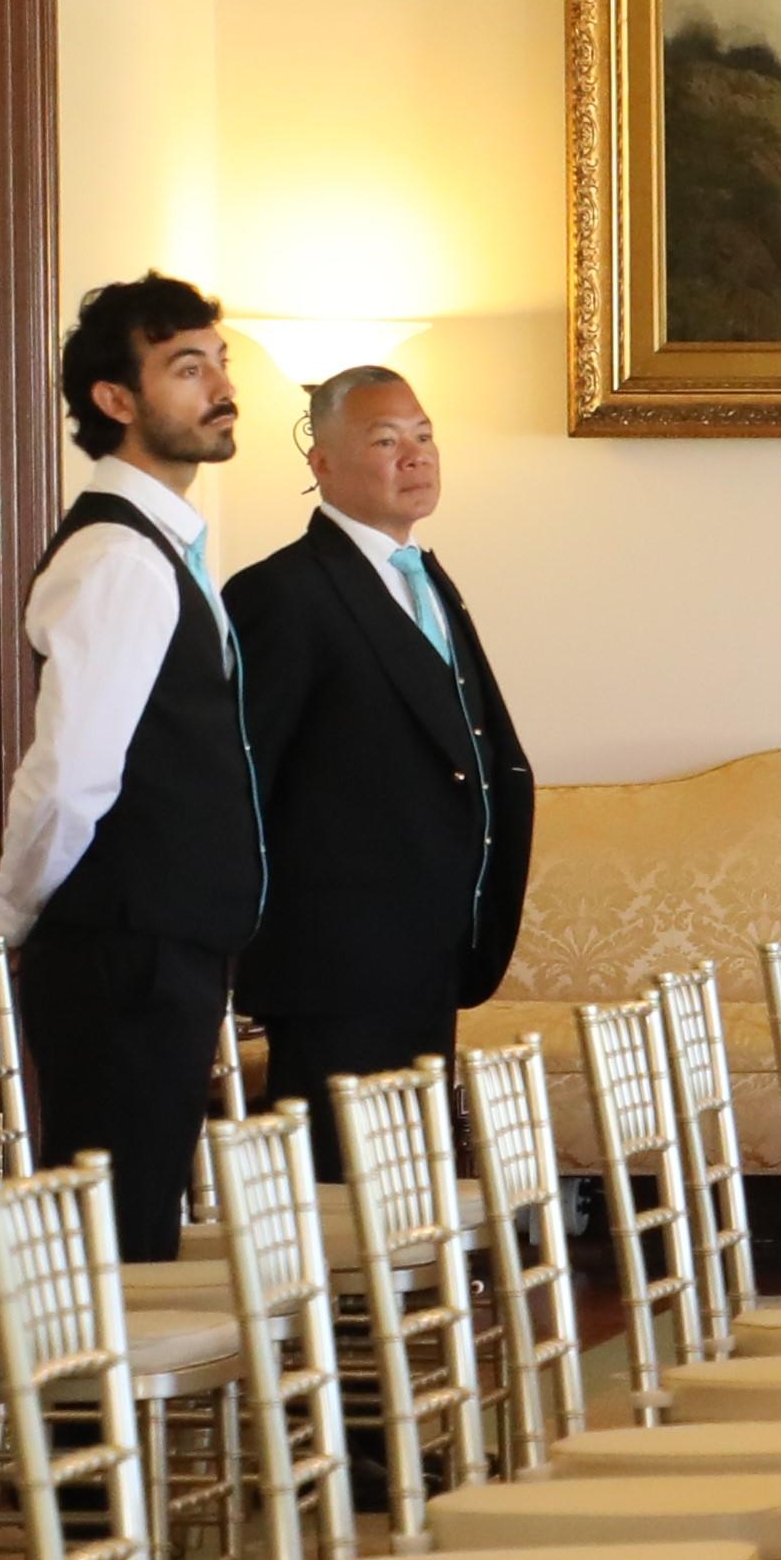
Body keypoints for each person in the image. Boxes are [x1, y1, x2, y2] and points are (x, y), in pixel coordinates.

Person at [0, 274, 265, 1260]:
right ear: (116, 399)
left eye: (220, 363)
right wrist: (9, 918)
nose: (221, 387)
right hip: (122, 951)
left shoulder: (166, 548)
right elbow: (70, 775)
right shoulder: (117, 557)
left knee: (134, 1224)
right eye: (188, 369)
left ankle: (108, 1415)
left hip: (159, 947)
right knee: (112, 1237)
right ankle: (87, 1419)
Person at [226, 363, 535, 1149]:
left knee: (410, 1193)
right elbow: (242, 783)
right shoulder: (282, 594)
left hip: (432, 948)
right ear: (321, 461)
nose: (416, 456)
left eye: (425, 435)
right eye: (386, 439)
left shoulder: (425, 575)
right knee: (348, 1202)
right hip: (337, 965)